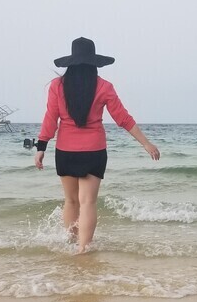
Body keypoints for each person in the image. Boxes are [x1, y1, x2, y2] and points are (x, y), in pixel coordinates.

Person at [35, 37, 160, 253]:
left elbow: (50, 118)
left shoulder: (57, 86)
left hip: (65, 150)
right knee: (88, 203)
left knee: (71, 201)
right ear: (94, 63)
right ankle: (83, 249)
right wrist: (146, 144)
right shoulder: (104, 86)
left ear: (71, 63)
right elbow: (123, 119)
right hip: (93, 151)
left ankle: (71, 244)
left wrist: (41, 147)